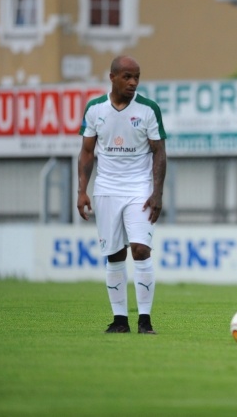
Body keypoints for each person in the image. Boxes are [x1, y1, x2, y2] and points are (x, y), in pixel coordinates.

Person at [77, 55, 167, 335]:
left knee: (140, 249)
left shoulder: (148, 109)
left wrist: (157, 193)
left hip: (139, 188)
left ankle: (145, 321)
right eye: (127, 77)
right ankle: (119, 321)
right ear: (112, 77)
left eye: (137, 77)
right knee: (114, 254)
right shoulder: (95, 109)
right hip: (106, 188)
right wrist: (82, 191)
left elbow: (159, 152)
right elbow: (87, 152)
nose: (133, 82)